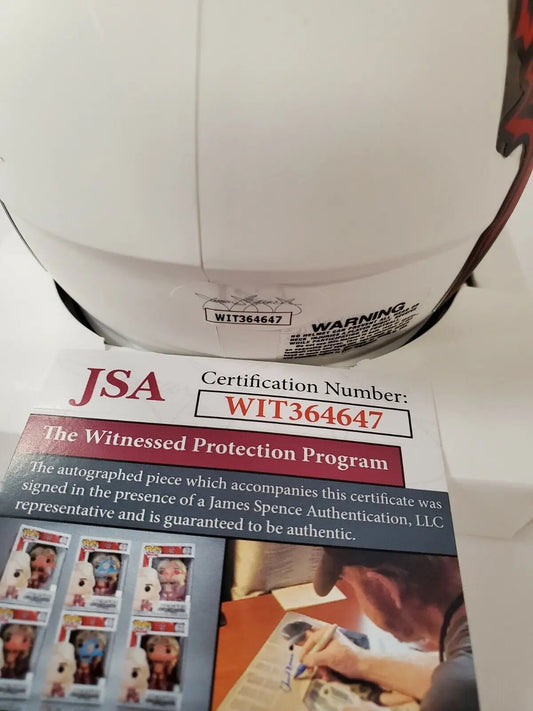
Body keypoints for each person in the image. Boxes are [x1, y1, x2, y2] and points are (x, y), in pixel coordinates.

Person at [301, 548, 479, 711]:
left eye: (352, 585)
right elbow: (452, 671)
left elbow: (456, 688)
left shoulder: (456, 691)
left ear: (384, 588)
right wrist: (356, 660)